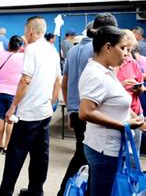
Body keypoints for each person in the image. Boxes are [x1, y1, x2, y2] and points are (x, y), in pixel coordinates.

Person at [0, 16, 61, 196]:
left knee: (15, 154)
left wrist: (13, 106)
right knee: (40, 154)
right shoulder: (52, 50)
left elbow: (25, 80)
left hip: (29, 112)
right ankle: (35, 190)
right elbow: (58, 80)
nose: (24, 35)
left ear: (30, 31)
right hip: (44, 111)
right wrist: (52, 100)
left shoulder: (31, 50)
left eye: (25, 31)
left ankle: (6, 190)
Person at [57, 12, 119, 196]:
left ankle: (68, 191)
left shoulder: (74, 49)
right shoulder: (98, 51)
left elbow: (65, 82)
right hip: (92, 113)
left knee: (82, 156)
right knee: (88, 158)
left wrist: (70, 110)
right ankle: (67, 191)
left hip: (77, 111)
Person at [79, 26, 144, 196]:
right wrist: (122, 125)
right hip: (104, 149)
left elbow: (116, 101)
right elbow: (85, 112)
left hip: (112, 147)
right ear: (108, 47)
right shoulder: (95, 75)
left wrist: (136, 119)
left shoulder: (106, 71)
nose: (126, 54)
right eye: (122, 48)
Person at [0, 35, 24, 155]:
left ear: (9, 44)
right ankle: (7, 146)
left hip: (0, 90)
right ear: (20, 46)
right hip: (13, 92)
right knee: (10, 119)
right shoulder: (22, 57)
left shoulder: (0, 54)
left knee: (0, 117)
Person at [116, 29, 144, 151]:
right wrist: (121, 85)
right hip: (118, 114)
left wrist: (139, 89)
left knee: (134, 156)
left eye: (129, 50)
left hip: (135, 111)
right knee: (118, 155)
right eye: (124, 49)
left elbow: (141, 85)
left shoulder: (133, 64)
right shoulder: (111, 67)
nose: (127, 53)